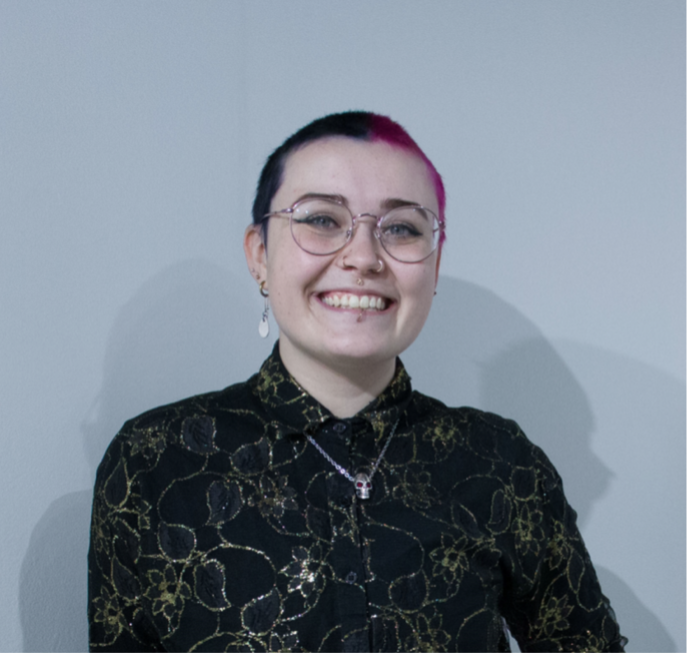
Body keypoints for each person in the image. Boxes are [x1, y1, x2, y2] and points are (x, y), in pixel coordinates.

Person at [88, 111, 627, 653]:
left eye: (401, 228)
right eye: (321, 219)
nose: (364, 257)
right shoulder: (156, 461)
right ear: (260, 255)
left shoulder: (501, 462)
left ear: (433, 268)